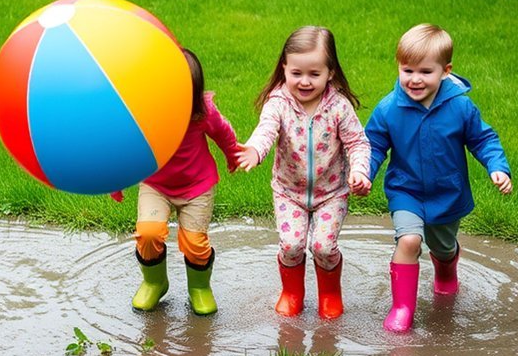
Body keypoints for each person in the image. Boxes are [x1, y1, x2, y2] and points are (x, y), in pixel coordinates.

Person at [366, 23, 511, 332]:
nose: (415, 79)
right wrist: (364, 172)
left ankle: (446, 268)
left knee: (442, 247)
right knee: (409, 239)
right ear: (398, 67)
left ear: (446, 71)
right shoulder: (388, 108)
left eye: (425, 72)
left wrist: (496, 166)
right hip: (406, 191)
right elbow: (374, 145)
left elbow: (483, 139)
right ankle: (403, 308)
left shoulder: (460, 106)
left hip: (447, 193)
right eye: (408, 70)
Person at [235, 26, 371, 320]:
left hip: (332, 193)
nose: (305, 82)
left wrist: (360, 171)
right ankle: (292, 293)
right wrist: (255, 150)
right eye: (297, 73)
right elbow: (266, 130)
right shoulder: (279, 104)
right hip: (289, 193)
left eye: (314, 74)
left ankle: (330, 294)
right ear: (284, 68)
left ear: (330, 72)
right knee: (292, 245)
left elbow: (358, 143)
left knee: (323, 246)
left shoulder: (338, 107)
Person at [113, 48, 240, 316]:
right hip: (156, 185)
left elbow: (224, 134)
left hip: (196, 187)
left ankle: (199, 288)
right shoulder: (144, 117)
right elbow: (125, 148)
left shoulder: (203, 114)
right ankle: (155, 282)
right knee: (147, 233)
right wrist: (116, 179)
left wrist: (232, 155)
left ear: (193, 99)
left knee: (195, 242)